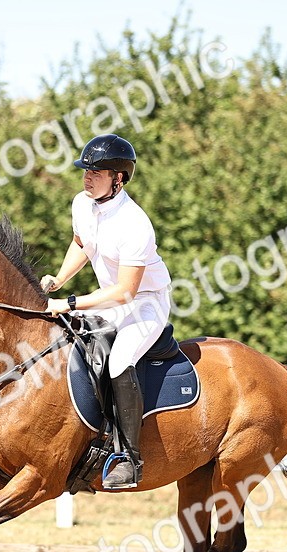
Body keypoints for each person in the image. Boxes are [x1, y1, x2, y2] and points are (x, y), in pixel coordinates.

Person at [43, 133, 172, 489]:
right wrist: (60, 278)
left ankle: (131, 459)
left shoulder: (135, 223)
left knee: (118, 361)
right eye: (86, 170)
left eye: (97, 172)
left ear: (119, 178)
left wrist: (69, 302)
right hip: (106, 299)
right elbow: (82, 243)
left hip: (144, 302)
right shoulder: (82, 204)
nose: (87, 177)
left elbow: (125, 291)